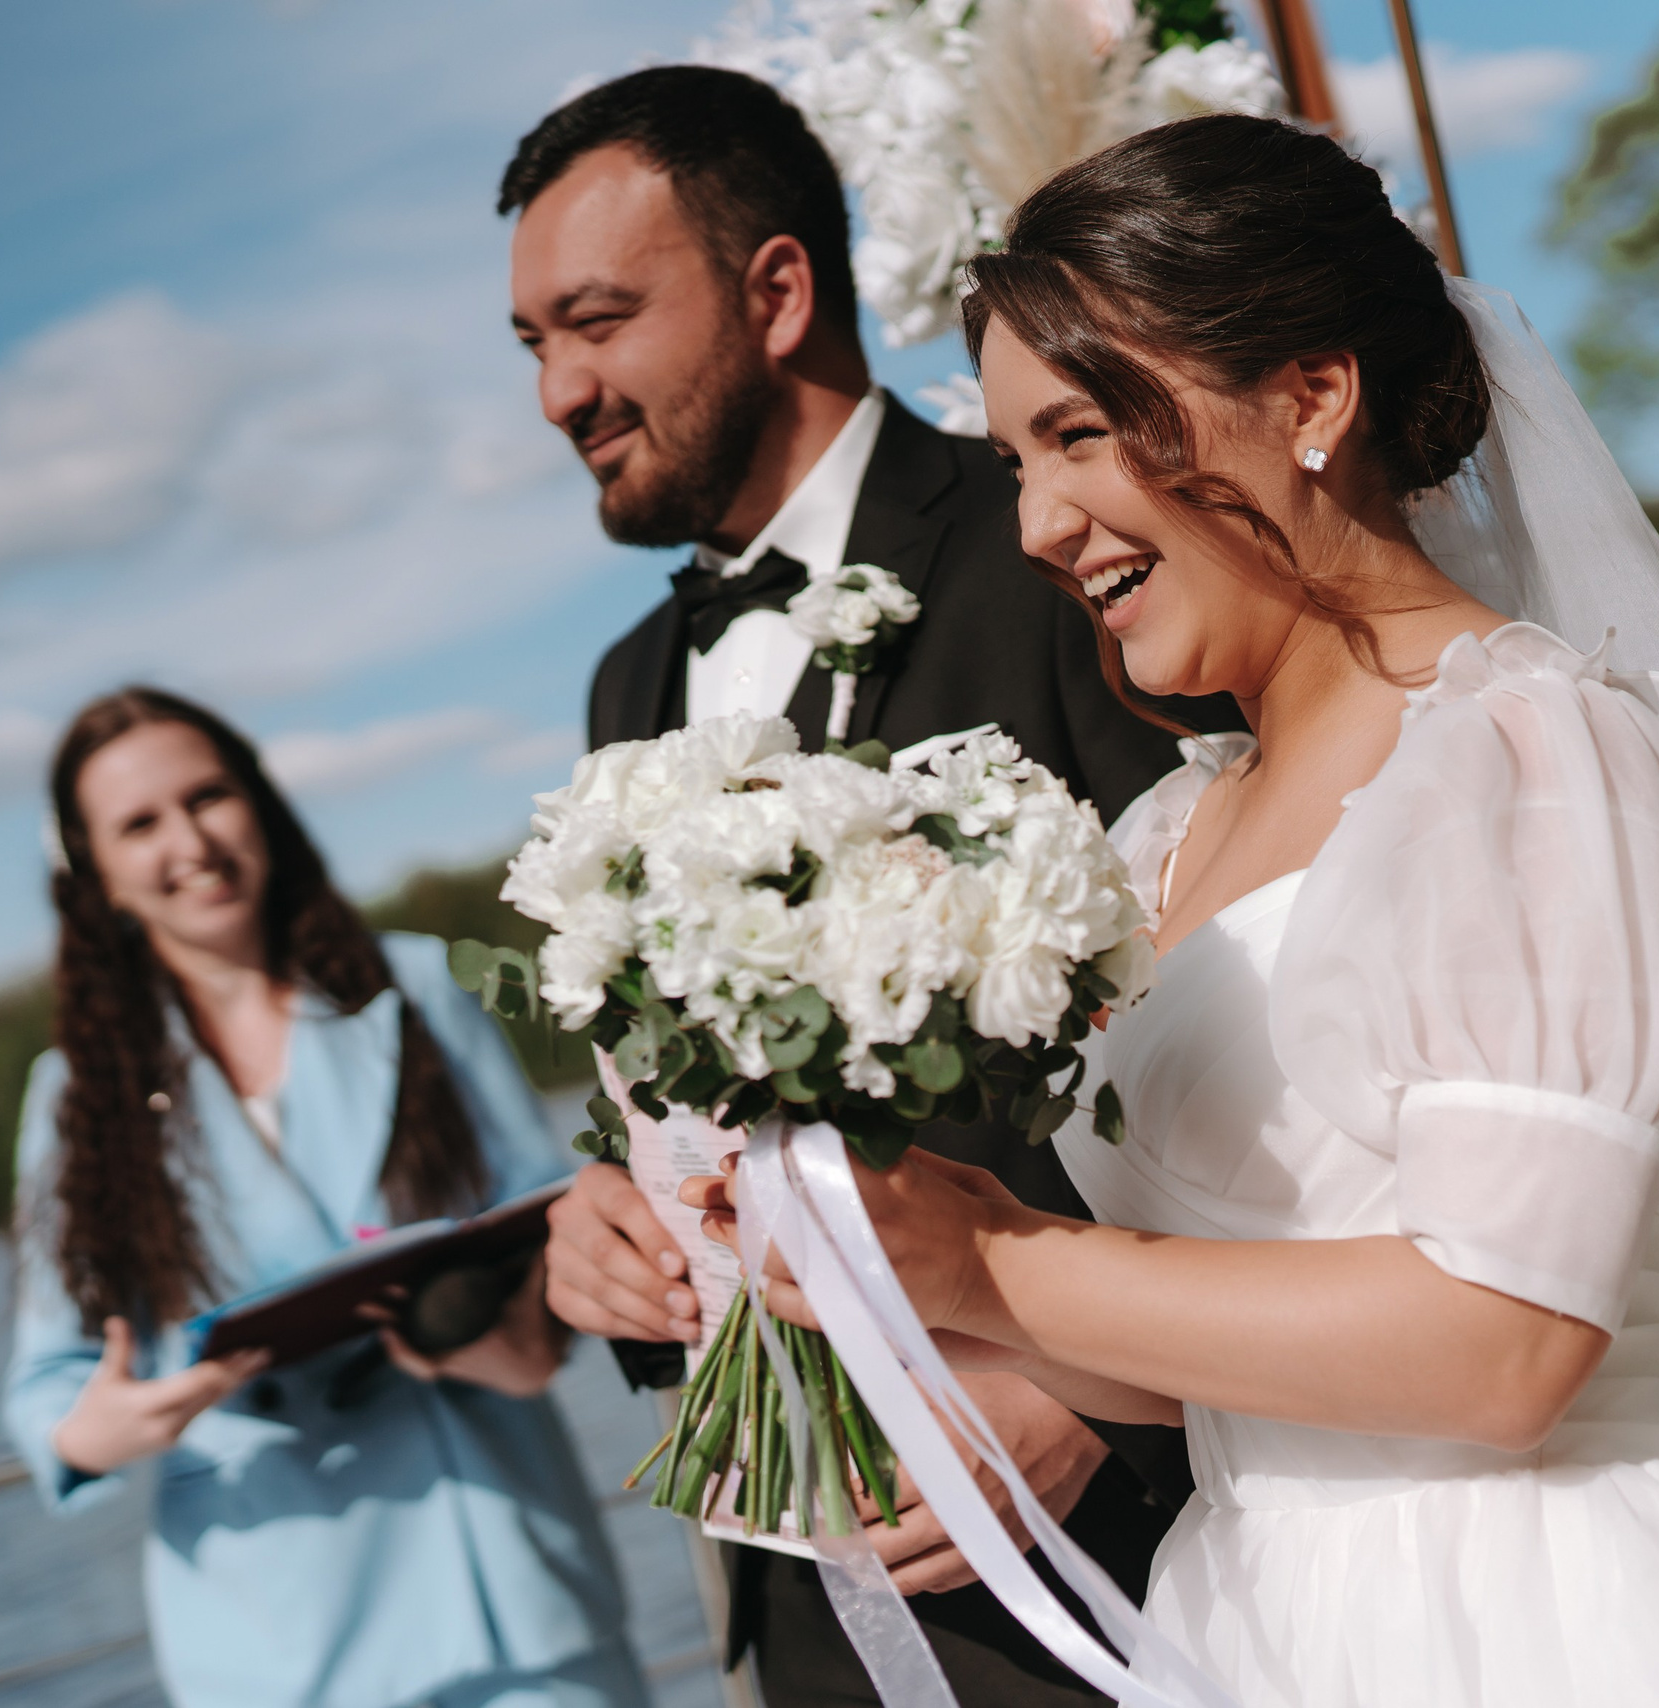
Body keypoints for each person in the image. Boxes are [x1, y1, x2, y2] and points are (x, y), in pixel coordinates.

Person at [687, 116, 1659, 1707]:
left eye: (1082, 435)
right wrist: (887, 1253)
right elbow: (1207, 1358)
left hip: (1556, 1617)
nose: (1040, 526)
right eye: (1014, 463)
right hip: (1261, 1623)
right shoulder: (1161, 836)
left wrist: (999, 1260)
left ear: (1311, 398)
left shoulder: (1541, 759)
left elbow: (1506, 1344)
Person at [495, 65, 1233, 1708]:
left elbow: (1247, 1003)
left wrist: (1107, 1392)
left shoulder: (1057, 540)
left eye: (598, 321)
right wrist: (604, 1225)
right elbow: (696, 1101)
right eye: (535, 344)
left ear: (776, 291)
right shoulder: (630, 685)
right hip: (818, 1602)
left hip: (1115, 1555)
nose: (560, 391)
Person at [1, 688, 649, 1708]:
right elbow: (50, 1386)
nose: (191, 839)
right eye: (140, 822)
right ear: (97, 877)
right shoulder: (76, 1098)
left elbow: (552, 1228)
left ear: (259, 805)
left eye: (207, 795)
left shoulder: (418, 989)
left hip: (504, 1582)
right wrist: (105, 1429)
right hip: (277, 1632)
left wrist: (516, 1336)